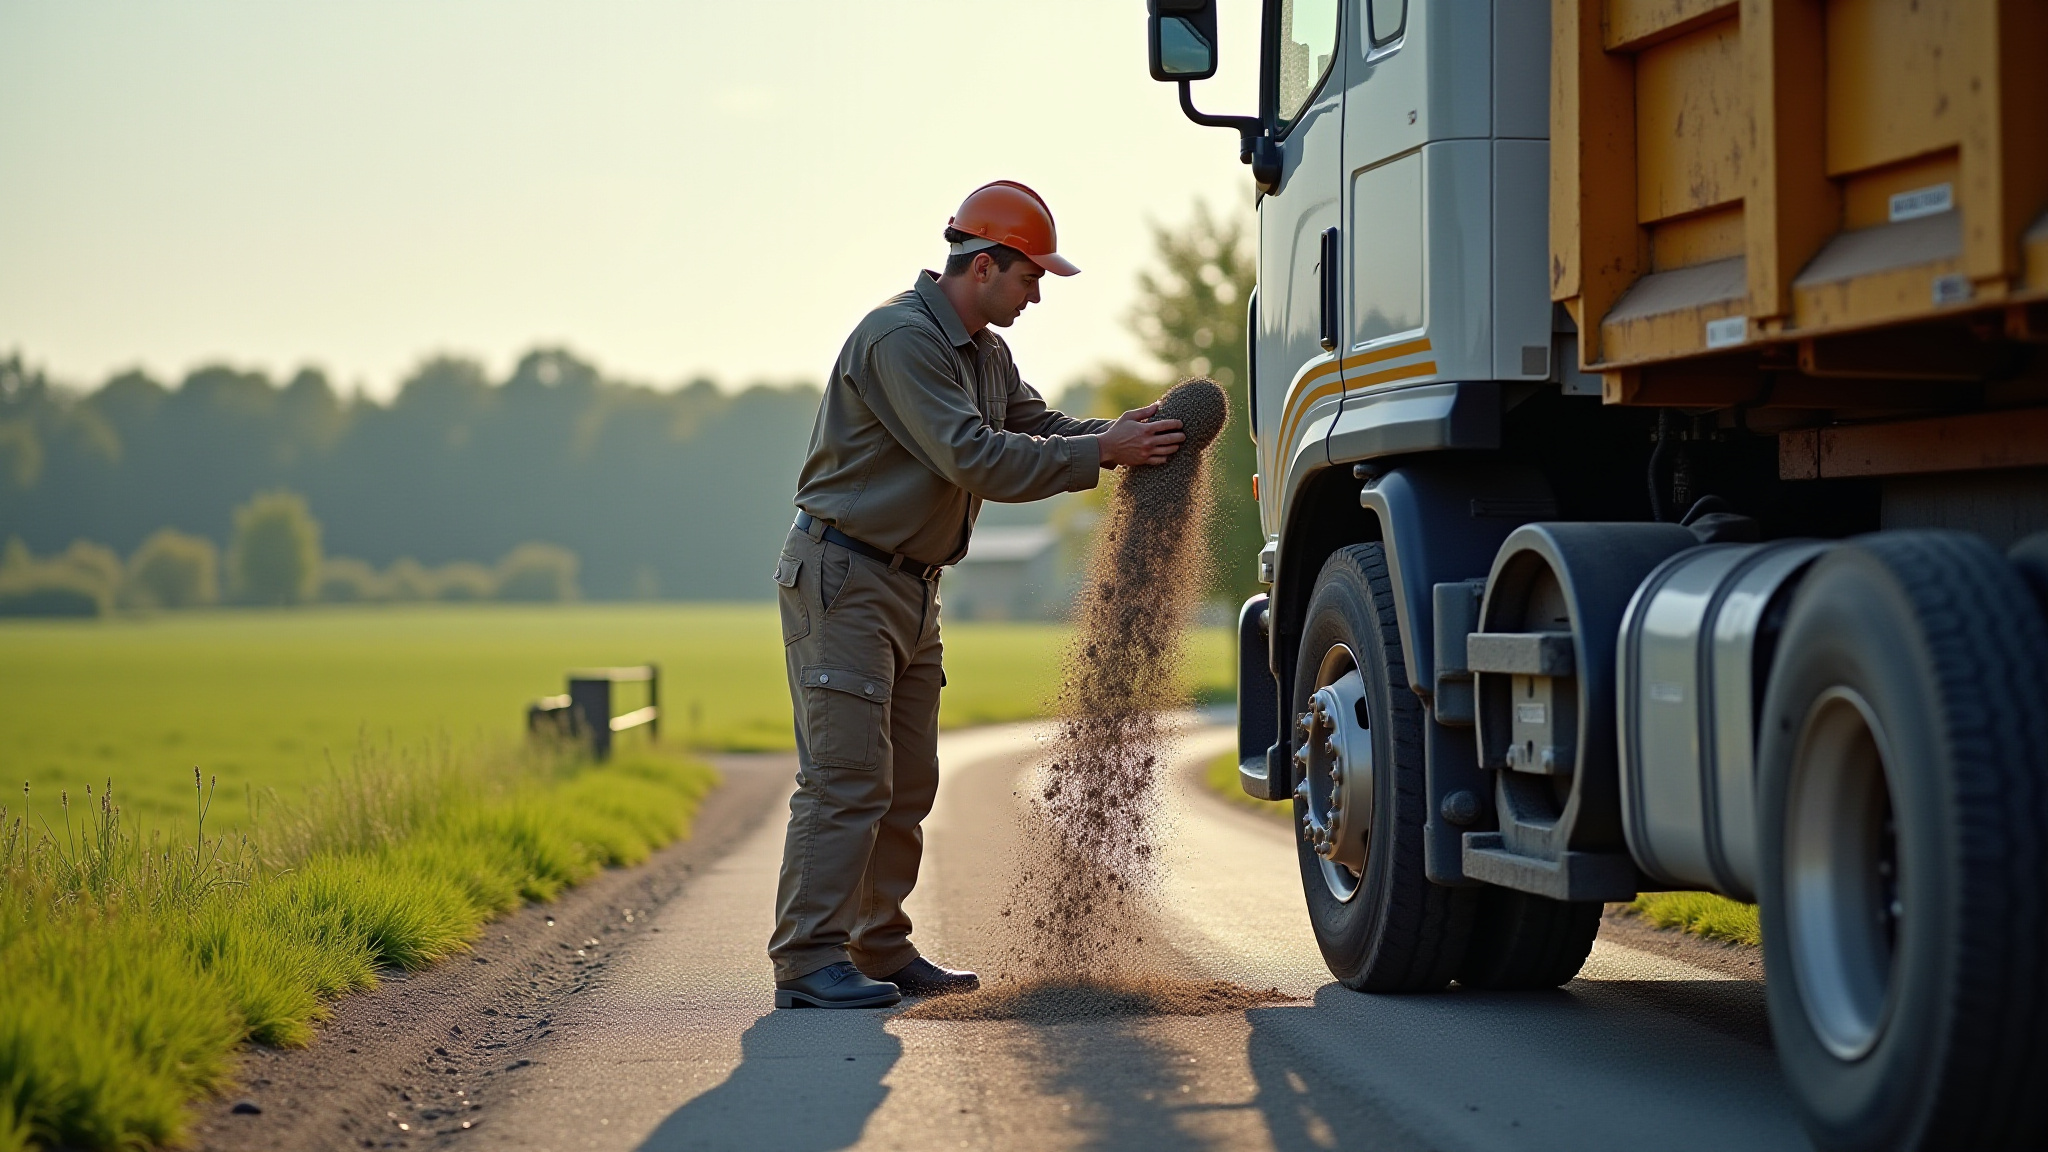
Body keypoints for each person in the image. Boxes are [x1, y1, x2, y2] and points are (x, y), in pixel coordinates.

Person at [768, 180, 1186, 1008]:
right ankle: (808, 960)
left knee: (908, 779)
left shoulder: (984, 352)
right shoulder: (902, 339)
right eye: (1031, 278)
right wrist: (1108, 456)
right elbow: (976, 458)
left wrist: (1116, 433)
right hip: (846, 577)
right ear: (986, 265)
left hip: (911, 588)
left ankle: (878, 945)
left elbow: (1036, 425)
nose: (1037, 295)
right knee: (848, 776)